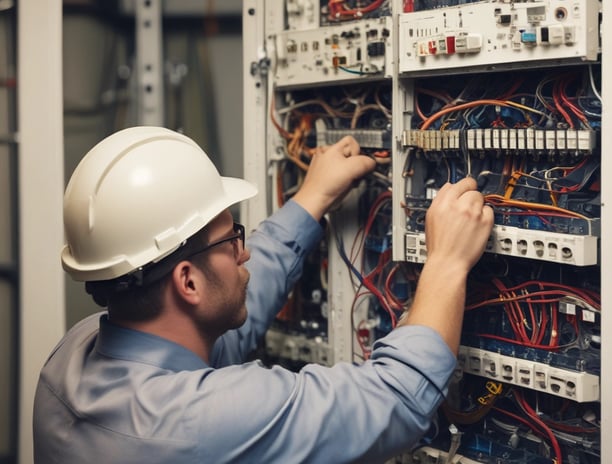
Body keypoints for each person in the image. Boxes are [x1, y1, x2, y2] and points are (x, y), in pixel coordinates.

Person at [33, 126, 493, 463]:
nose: (244, 251)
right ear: (187, 282)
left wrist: (310, 200)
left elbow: (217, 328)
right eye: (231, 238)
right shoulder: (198, 423)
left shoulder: (72, 353)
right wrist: (446, 263)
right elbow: (395, 399)